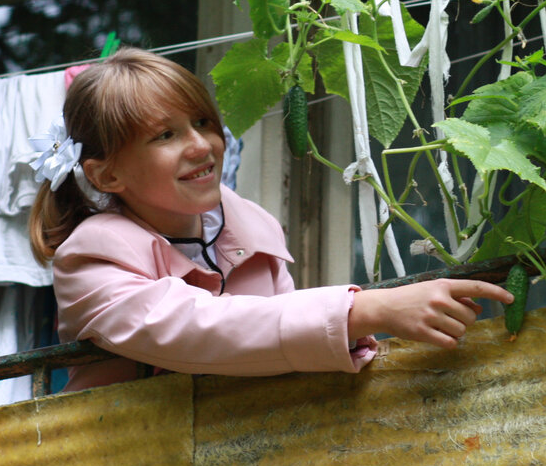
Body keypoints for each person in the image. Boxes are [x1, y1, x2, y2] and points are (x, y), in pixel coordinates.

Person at [29, 47, 513, 391]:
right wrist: (367, 311)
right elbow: (194, 328)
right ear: (107, 174)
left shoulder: (249, 227)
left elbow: (274, 338)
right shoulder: (90, 259)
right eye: (164, 136)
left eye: (201, 122)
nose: (202, 145)